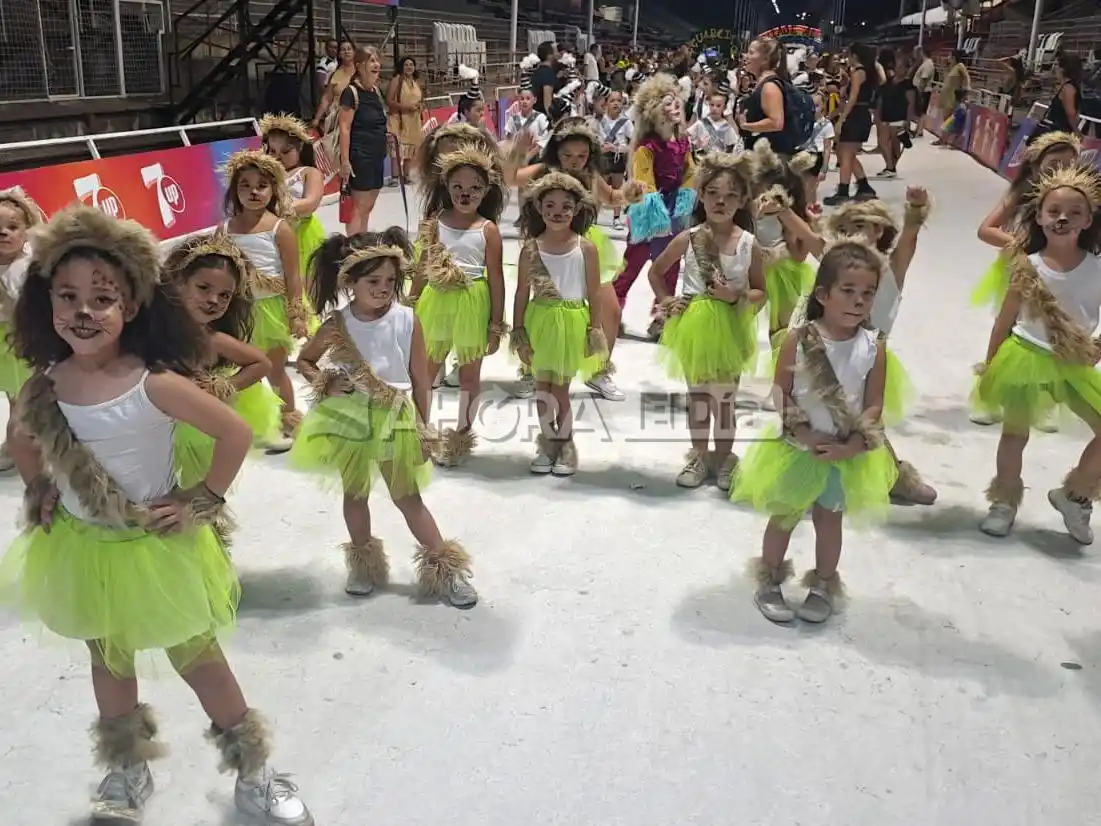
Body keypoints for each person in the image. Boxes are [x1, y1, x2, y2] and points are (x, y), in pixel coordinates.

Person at [0, 206, 313, 824]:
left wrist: (203, 498)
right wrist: (39, 488)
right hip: (84, 550)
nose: (83, 311)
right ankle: (127, 768)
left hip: (155, 548)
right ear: (46, 303)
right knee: (108, 661)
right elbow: (22, 436)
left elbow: (232, 434)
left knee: (201, 662)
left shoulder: (153, 383)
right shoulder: (46, 383)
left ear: (134, 305)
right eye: (67, 296)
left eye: (102, 297)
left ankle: (254, 771)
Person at [293, 229, 478, 607]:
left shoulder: (408, 319)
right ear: (350, 281)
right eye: (373, 281)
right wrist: (325, 384)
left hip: (394, 417)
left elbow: (421, 380)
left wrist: (424, 428)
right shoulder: (337, 324)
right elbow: (305, 361)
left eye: (391, 281)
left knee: (407, 496)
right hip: (348, 418)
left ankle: (445, 568)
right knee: (355, 492)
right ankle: (363, 563)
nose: (383, 289)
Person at [731, 240, 897, 625]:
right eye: (848, 291)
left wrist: (854, 445)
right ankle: (769, 580)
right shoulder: (799, 339)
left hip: (843, 453)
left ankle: (823, 583)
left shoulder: (874, 346)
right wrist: (803, 433)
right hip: (797, 447)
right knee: (785, 515)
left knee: (829, 519)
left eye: (867, 293)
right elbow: (781, 392)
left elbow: (873, 403)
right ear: (823, 294)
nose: (858, 301)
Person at [973, 162, 1101, 544]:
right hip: (1025, 354)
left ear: (1089, 218)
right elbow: (1004, 319)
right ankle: (1004, 500)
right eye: (1054, 211)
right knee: (1014, 435)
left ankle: (1075, 494)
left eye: (1074, 212)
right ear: (1040, 218)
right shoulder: (1027, 265)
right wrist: (991, 364)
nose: (1063, 218)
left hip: (1072, 361)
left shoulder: (1097, 268)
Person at [649, 151, 765, 490]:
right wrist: (668, 301)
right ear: (701, 194)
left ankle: (724, 458)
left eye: (731, 195)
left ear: (743, 200)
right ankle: (699, 456)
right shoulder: (689, 237)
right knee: (698, 395)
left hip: (730, 326)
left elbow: (761, 290)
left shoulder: (748, 243)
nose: (721, 201)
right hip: (694, 326)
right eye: (714, 193)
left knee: (724, 399)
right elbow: (657, 272)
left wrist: (737, 297)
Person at [824, 189, 938, 506]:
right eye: (848, 228)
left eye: (864, 225)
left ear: (879, 231)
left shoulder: (891, 267)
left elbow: (910, 237)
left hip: (870, 355)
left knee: (869, 420)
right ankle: (816, 474)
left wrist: (915, 208)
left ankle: (893, 475)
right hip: (831, 352)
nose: (856, 234)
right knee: (826, 417)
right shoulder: (833, 269)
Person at [510, 118, 632, 402]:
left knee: (610, 311)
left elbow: (613, 197)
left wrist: (629, 194)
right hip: (546, 246)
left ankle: (599, 370)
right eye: (567, 155)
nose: (574, 161)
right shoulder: (543, 169)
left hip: (584, 246)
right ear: (556, 151)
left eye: (581, 155)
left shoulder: (590, 175)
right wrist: (518, 151)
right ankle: (531, 369)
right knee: (542, 308)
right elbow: (511, 177)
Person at [410, 145, 507, 466]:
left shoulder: (488, 230)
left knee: (469, 376)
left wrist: (496, 323)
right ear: (447, 187)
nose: (465, 195)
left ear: (486, 191)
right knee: (426, 371)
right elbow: (424, 263)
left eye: (474, 189)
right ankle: (418, 430)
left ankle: (461, 435)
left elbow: (496, 279)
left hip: (472, 304)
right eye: (458, 188)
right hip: (436, 300)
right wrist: (411, 301)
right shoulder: (436, 222)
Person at [163, 233, 280, 488]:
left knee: (190, 490)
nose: (214, 300)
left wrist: (222, 385)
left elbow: (262, 364)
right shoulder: (150, 326)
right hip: (150, 426)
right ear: (179, 282)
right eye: (203, 288)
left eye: (225, 295)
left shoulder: (211, 338)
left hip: (190, 430)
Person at [511, 172, 607, 476]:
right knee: (542, 387)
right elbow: (521, 292)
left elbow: (594, 293)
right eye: (549, 205)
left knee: (561, 389)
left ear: (576, 209)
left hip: (571, 322)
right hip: (540, 320)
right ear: (538, 208)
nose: (557, 212)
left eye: (565, 206)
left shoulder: (586, 248)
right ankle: (547, 441)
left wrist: (595, 329)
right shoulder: (530, 248)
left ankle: (565, 443)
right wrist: (518, 331)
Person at [221, 149, 307, 453]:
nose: (253, 192)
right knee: (243, 370)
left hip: (272, 310)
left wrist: (296, 313)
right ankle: (254, 423)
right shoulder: (225, 229)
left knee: (273, 369)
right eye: (245, 185)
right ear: (234, 190)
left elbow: (294, 276)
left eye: (261, 185)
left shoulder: (279, 228)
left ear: (273, 190)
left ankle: (287, 419)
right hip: (239, 311)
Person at [615, 73, 696, 341]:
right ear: (652, 110)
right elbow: (644, 181)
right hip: (648, 213)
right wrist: (655, 212)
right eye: (666, 102)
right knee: (632, 264)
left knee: (670, 267)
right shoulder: (645, 147)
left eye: (676, 102)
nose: (674, 107)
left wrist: (686, 197)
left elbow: (690, 172)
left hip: (674, 211)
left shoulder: (683, 142)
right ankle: (611, 310)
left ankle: (662, 316)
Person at [259, 114, 325, 322]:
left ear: (300, 150)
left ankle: (306, 321)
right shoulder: (264, 175)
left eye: (285, 151)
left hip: (303, 234)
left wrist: (282, 208)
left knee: (305, 280)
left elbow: (311, 202)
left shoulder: (309, 172)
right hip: (272, 235)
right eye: (272, 151)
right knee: (278, 280)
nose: (277, 157)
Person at [0, 189, 40, 472]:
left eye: (12, 227)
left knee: (21, 394)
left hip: (18, 338)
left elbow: (25, 308)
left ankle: (18, 441)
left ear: (26, 233)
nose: (3, 233)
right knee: (11, 393)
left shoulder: (22, 269)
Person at [337, 45, 389, 235]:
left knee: (369, 204)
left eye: (377, 60)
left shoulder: (376, 91)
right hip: (360, 155)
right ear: (359, 65)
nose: (377, 65)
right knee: (358, 205)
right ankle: (353, 246)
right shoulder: (351, 92)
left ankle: (363, 239)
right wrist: (345, 161)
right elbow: (344, 128)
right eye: (372, 60)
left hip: (377, 154)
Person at [824, 42, 879, 205]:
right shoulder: (865, 72)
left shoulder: (858, 72)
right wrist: (831, 116)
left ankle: (843, 190)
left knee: (845, 153)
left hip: (856, 116)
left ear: (854, 56)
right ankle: (864, 186)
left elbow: (852, 98)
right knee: (845, 153)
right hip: (859, 115)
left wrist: (841, 120)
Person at [736, 37, 795, 156]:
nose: (745, 56)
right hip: (762, 154)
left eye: (751, 52)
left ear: (765, 59)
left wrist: (746, 126)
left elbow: (776, 123)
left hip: (769, 158)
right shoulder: (763, 83)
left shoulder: (769, 86)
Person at [596, 89, 633, 231]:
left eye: (619, 101)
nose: (616, 104)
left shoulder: (626, 122)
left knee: (617, 188)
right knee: (600, 188)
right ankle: (594, 216)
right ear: (606, 104)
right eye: (612, 101)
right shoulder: (599, 120)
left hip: (617, 158)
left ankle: (616, 218)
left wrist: (617, 149)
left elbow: (632, 144)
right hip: (603, 158)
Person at [1029, 51, 1083, 144]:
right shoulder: (1067, 86)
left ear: (1063, 69)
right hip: (1058, 130)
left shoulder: (1068, 88)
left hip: (1059, 131)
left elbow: (1071, 113)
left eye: (1057, 65)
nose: (1055, 68)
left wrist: (1076, 132)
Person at [386, 55, 425, 183]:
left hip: (413, 120)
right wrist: (406, 107)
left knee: (410, 147)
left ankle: (406, 175)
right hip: (398, 119)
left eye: (411, 65)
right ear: (401, 67)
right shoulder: (397, 80)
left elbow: (419, 100)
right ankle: (395, 177)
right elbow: (389, 101)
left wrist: (420, 105)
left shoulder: (415, 82)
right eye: (406, 65)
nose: (409, 67)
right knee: (397, 148)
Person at [934, 49, 971, 146]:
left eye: (949, 56)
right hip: (946, 96)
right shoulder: (952, 67)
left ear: (954, 57)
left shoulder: (960, 66)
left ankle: (943, 139)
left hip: (952, 96)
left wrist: (965, 90)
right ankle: (943, 139)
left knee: (948, 120)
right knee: (945, 119)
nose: (948, 57)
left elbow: (967, 78)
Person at [911, 47, 935, 137]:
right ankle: (918, 129)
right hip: (921, 90)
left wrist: (920, 91)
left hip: (924, 91)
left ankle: (919, 131)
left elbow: (923, 79)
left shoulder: (928, 64)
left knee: (922, 112)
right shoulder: (924, 63)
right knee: (920, 112)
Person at [532, 41, 560, 117]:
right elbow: (547, 103)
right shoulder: (548, 73)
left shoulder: (538, 71)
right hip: (542, 117)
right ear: (549, 56)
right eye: (556, 51)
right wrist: (552, 121)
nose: (558, 54)